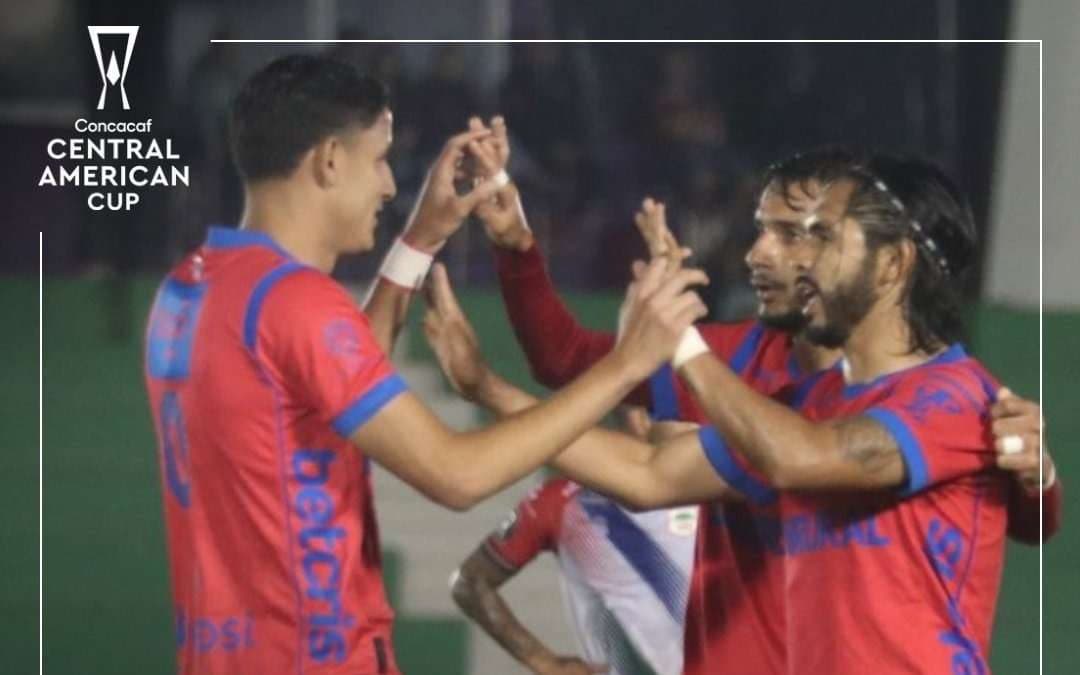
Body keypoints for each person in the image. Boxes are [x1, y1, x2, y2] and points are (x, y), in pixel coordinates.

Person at [142, 54, 708, 675]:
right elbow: (454, 475)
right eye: (380, 159)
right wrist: (627, 364)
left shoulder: (189, 290)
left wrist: (421, 237)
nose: (389, 185)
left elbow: (331, 379)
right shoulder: (296, 303)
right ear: (330, 160)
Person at [424, 148, 1058, 675]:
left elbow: (799, 458)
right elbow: (649, 473)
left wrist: (683, 344)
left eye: (818, 236)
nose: (790, 258)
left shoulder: (953, 397)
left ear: (893, 264)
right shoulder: (800, 402)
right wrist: (486, 388)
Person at [450, 407, 699, 675]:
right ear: (639, 419)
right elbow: (469, 582)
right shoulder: (565, 503)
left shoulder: (719, 497)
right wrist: (543, 661)